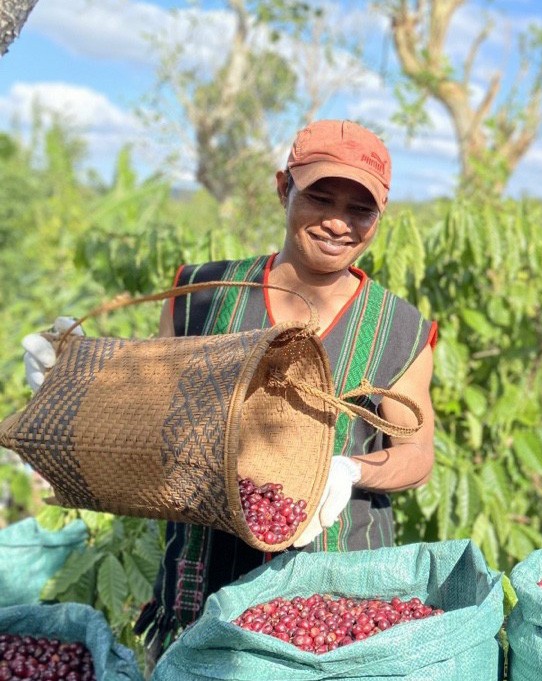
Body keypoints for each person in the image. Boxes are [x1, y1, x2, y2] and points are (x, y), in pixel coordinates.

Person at [123, 120, 436, 657]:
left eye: (360, 209)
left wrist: (351, 470)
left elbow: (417, 452)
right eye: (320, 196)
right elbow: (152, 415)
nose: (339, 222)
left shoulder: (399, 327)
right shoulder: (204, 296)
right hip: (205, 586)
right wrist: (85, 381)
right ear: (283, 189)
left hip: (336, 597)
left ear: (379, 216)